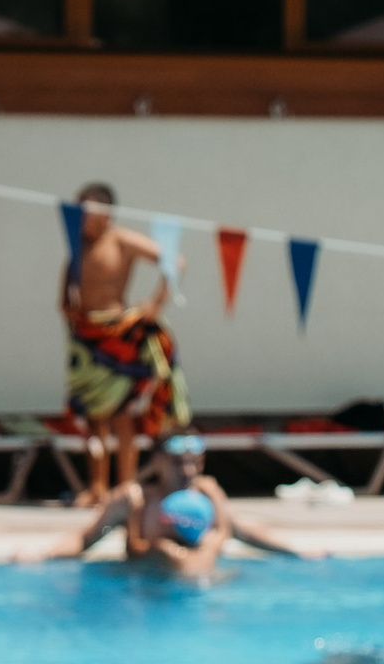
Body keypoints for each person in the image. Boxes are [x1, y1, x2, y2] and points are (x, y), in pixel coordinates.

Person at [61, 180, 189, 504]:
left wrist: (154, 304)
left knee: (122, 416)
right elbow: (68, 284)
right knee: (93, 419)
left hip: (118, 333)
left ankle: (125, 486)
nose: (83, 218)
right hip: (86, 337)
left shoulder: (122, 240)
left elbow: (175, 261)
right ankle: (97, 487)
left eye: (88, 212)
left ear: (106, 214)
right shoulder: (78, 244)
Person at [27, 436, 236, 585]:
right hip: (145, 587)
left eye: (196, 463)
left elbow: (236, 531)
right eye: (178, 462)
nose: (188, 471)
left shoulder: (208, 495)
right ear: (157, 461)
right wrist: (43, 553)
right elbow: (86, 539)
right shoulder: (133, 499)